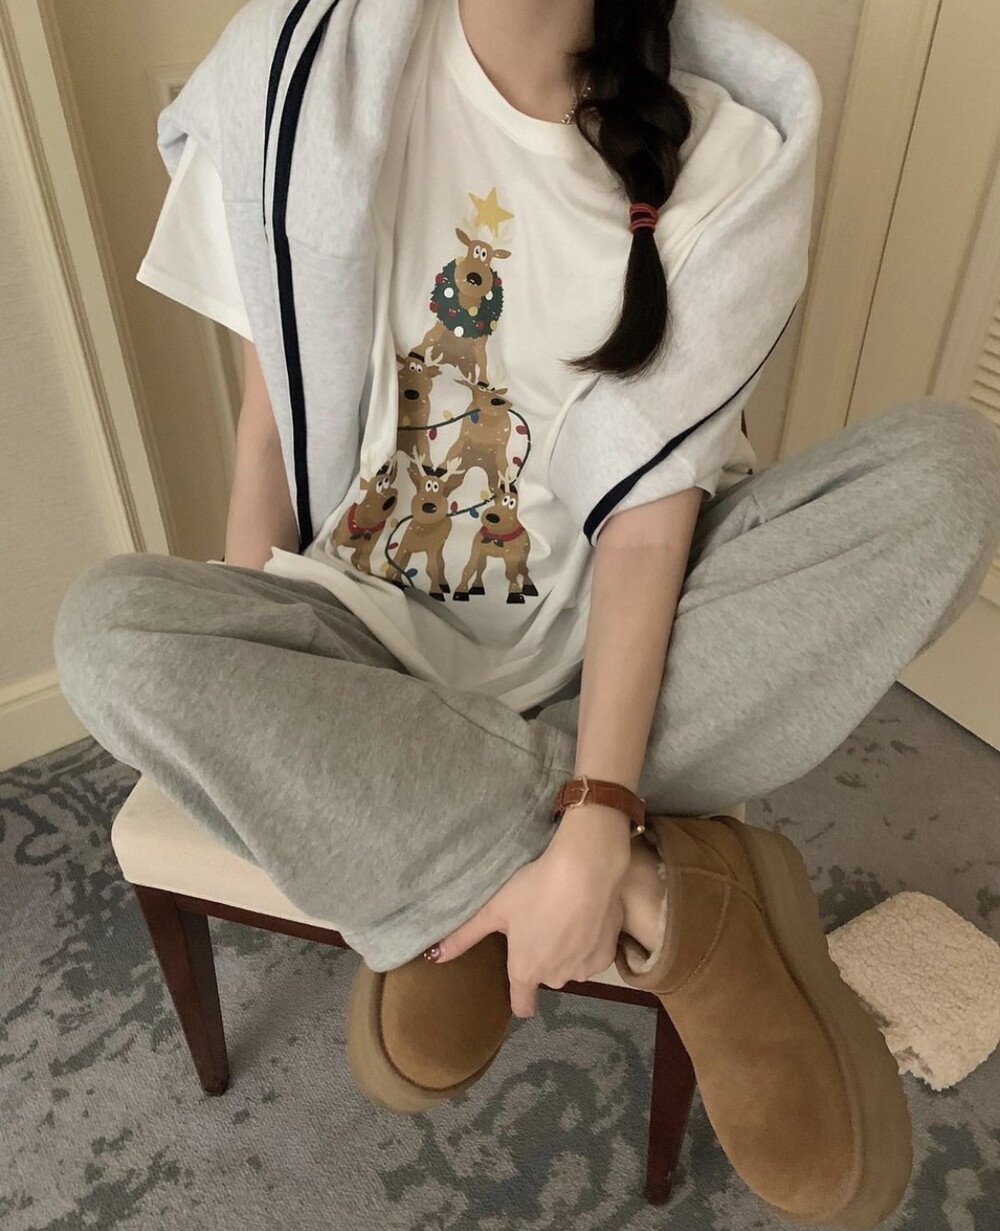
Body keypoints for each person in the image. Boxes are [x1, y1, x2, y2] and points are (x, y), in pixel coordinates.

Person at [52, 0, 1000, 1226]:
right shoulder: (291, 68)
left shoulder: (729, 143)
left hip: (605, 651)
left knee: (947, 473)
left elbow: (648, 526)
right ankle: (678, 901)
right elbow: (270, 417)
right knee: (107, 633)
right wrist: (267, 683)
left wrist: (597, 810)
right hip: (360, 645)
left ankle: (467, 866)